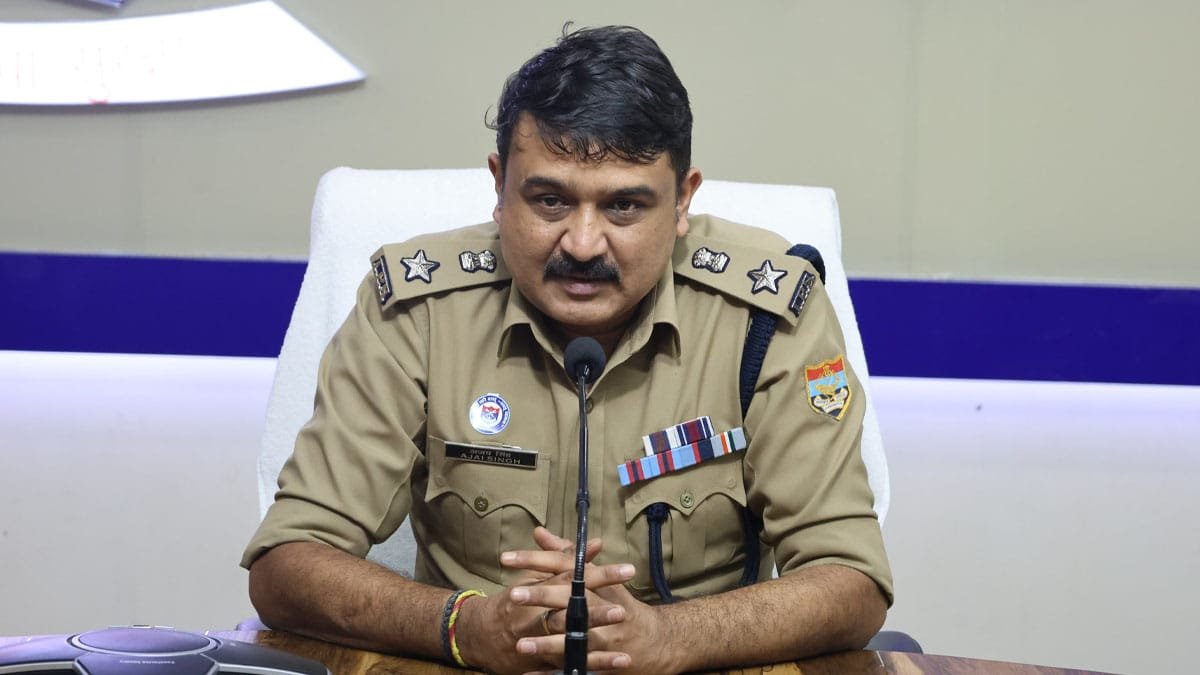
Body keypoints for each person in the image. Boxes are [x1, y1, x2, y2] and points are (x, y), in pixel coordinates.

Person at [242, 24, 892, 674]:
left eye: (624, 206)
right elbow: (287, 564)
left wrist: (670, 637)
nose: (582, 243)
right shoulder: (419, 309)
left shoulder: (763, 313)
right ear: (500, 186)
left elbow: (851, 581)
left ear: (683, 200)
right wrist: (462, 625)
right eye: (550, 200)